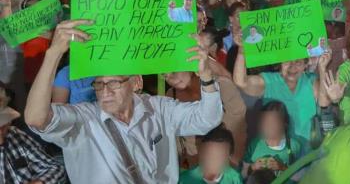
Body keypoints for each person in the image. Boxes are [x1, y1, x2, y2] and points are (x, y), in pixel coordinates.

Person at [25, 20, 224, 183]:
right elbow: (36, 119)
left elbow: (208, 119)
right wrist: (53, 55)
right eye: (99, 84)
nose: (105, 92)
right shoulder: (83, 120)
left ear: (136, 82)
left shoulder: (159, 109)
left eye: (114, 82)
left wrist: (206, 74)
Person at [164, 67, 247, 168]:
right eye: (165, 75)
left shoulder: (222, 85)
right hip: (195, 167)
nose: (170, 79)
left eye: (174, 71)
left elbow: (239, 127)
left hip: (227, 164)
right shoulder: (170, 96)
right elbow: (175, 138)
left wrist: (232, 165)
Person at [0, 87, 65, 184]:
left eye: (3, 124)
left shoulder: (15, 134)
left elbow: (56, 168)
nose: (0, 131)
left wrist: (40, 182)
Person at [241, 101, 304, 180]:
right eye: (265, 121)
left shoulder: (294, 146)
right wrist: (253, 167)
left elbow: (301, 177)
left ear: (284, 124)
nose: (268, 126)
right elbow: (242, 175)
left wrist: (282, 167)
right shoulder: (255, 144)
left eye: (273, 121)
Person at [179, 126, 243, 184]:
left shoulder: (235, 178)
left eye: (219, 157)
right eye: (208, 155)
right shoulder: (185, 179)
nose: (212, 162)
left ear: (229, 157)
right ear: (200, 153)